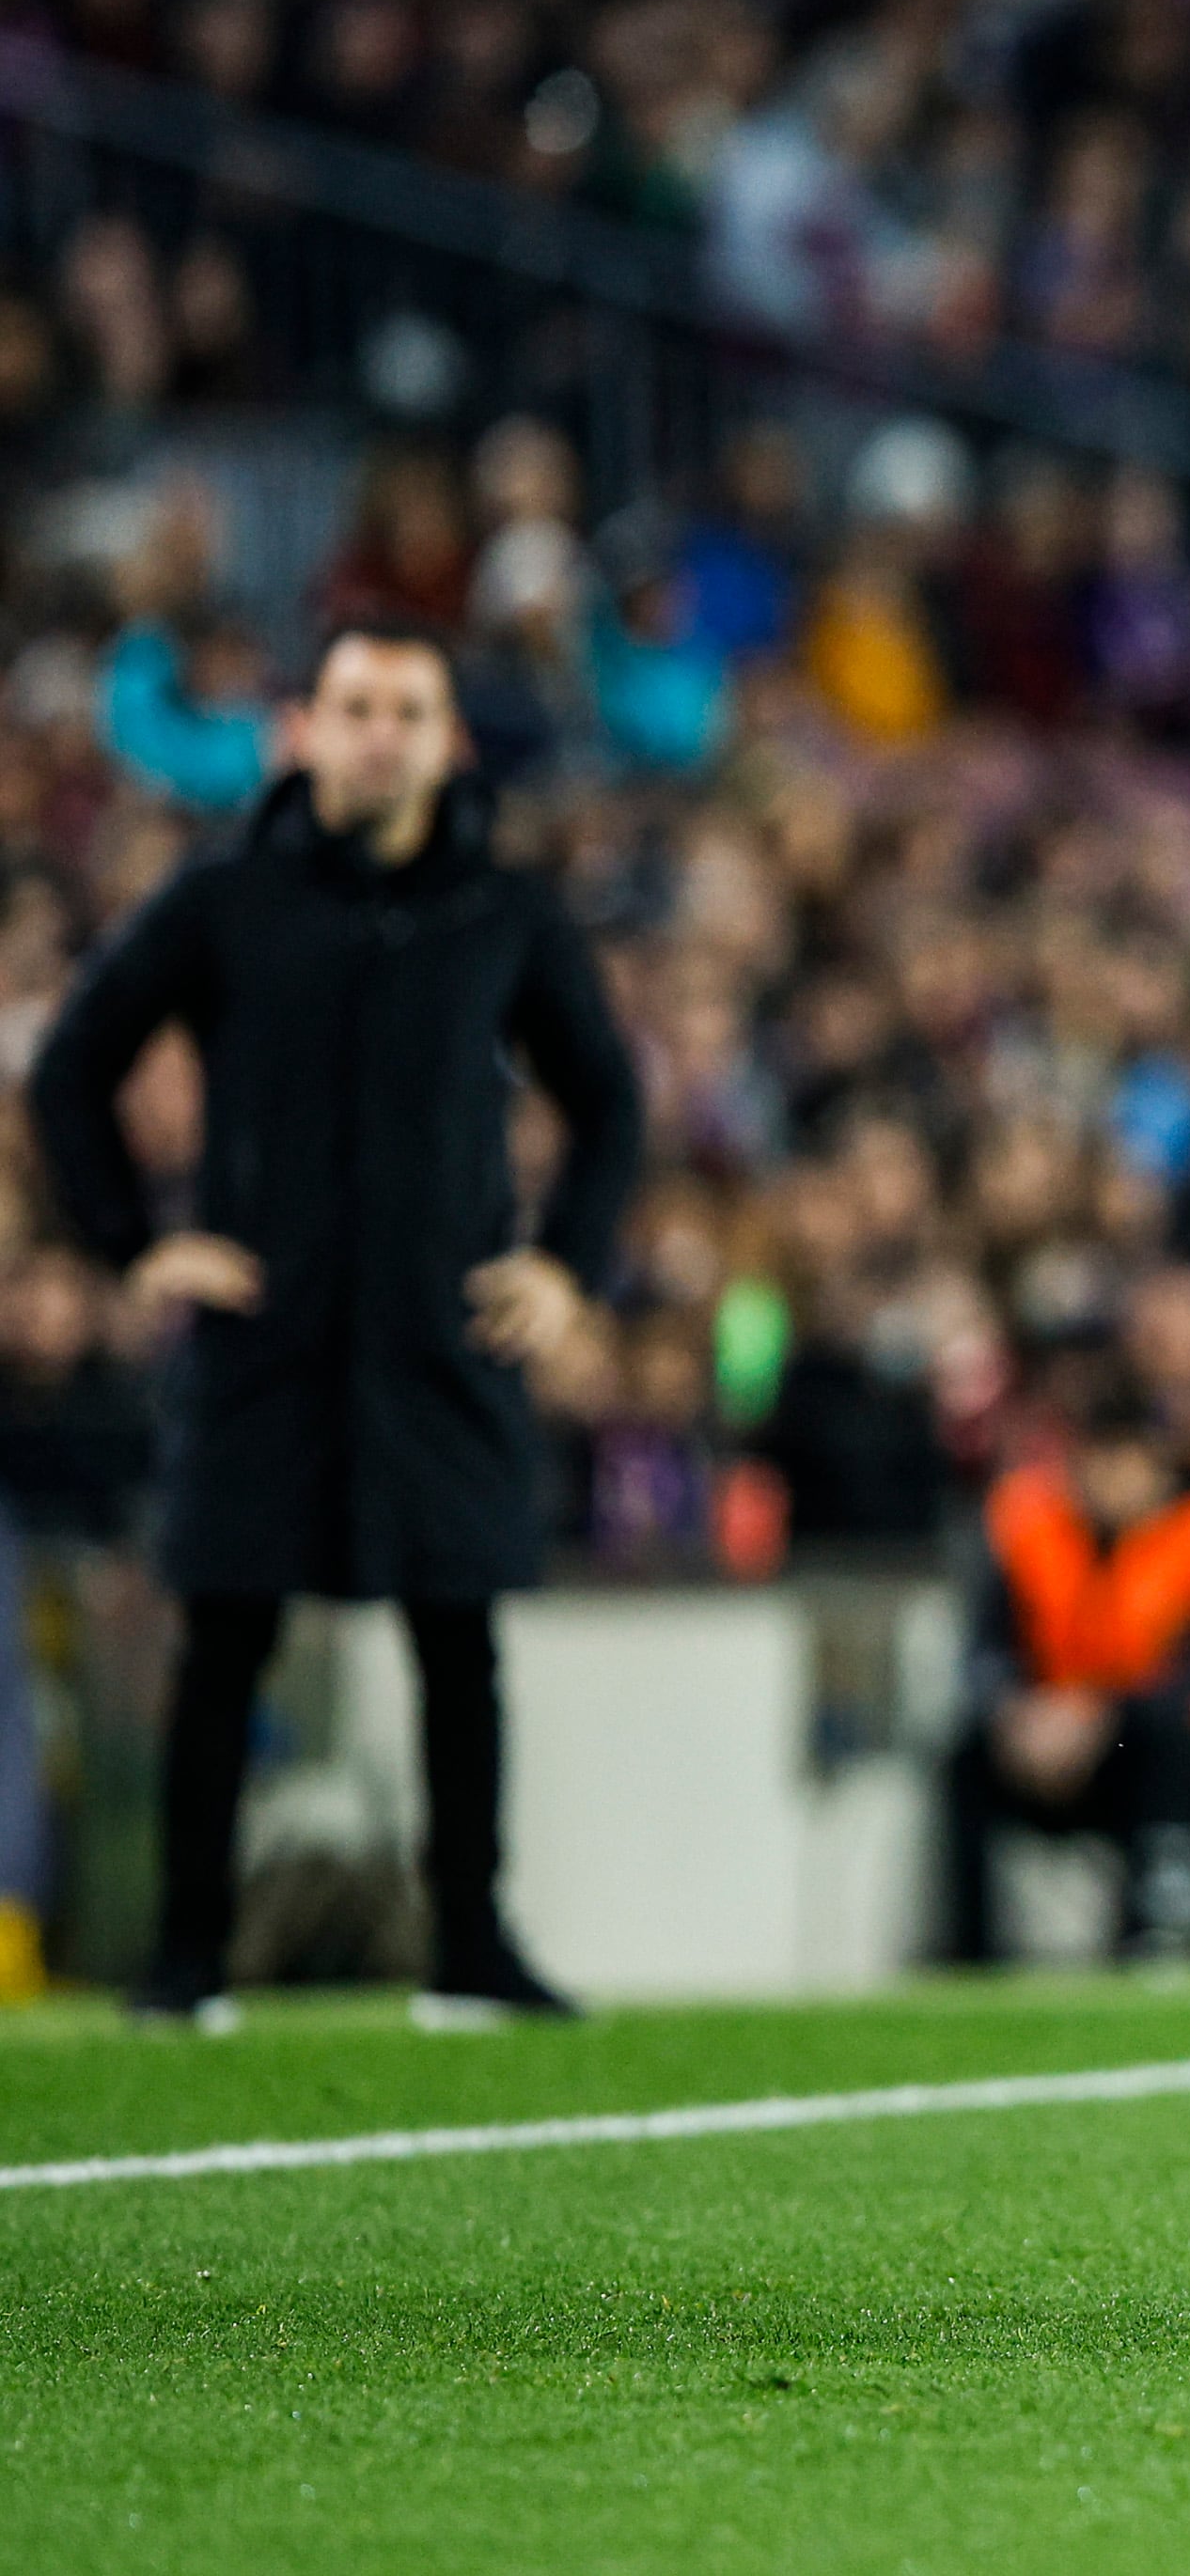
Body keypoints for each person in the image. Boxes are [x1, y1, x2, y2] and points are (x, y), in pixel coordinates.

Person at [28, 621, 643, 2030]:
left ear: (447, 738)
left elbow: (608, 1096)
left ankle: (472, 1945)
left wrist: (567, 1266)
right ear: (302, 729)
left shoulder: (505, 911)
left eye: (407, 709)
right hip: (270, 1334)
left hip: (441, 1337)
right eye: (355, 707)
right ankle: (186, 1960)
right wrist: (136, 1247)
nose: (379, 734)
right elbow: (74, 1067)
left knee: (458, 1639)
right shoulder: (226, 901)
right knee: (223, 1633)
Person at [944, 1391, 1190, 1961]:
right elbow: (985, 1653)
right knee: (964, 1756)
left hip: (1152, 1747)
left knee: (1165, 1744)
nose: (1116, 1477)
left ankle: (1147, 1938)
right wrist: (1017, 1713)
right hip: (1046, 1741)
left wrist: (1102, 1713)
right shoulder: (1026, 1524)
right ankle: (969, 1952)